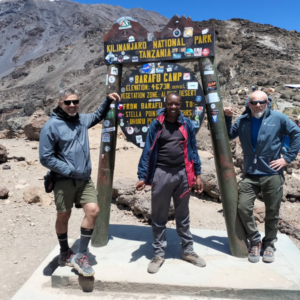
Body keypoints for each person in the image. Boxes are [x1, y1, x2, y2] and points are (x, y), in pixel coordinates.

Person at [39, 88, 120, 276]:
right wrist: (69, 170)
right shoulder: (51, 126)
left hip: (83, 180)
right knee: (63, 216)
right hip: (63, 180)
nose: (72, 105)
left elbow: (97, 115)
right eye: (67, 102)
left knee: (93, 210)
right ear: (60, 104)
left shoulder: (82, 120)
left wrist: (107, 100)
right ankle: (64, 252)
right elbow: (45, 157)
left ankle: (81, 255)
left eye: (75, 101)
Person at [224, 90, 300, 263]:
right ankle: (255, 239)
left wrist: (287, 159)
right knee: (242, 207)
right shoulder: (243, 120)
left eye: (261, 102)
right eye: (254, 102)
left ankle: (269, 244)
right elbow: (228, 135)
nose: (258, 105)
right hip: (250, 173)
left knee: (272, 212)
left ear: (268, 102)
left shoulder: (279, 118)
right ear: (248, 104)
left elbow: (297, 133)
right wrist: (227, 117)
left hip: (273, 174)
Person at [136, 92, 205, 273]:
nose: (173, 107)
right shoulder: (156, 124)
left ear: (181, 104)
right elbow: (147, 150)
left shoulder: (186, 123)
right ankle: (158, 253)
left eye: (176, 104)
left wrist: (197, 174)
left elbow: (193, 149)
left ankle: (188, 251)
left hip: (182, 174)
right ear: (165, 104)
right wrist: (142, 176)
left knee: (183, 214)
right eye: (170, 104)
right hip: (161, 174)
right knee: (159, 216)